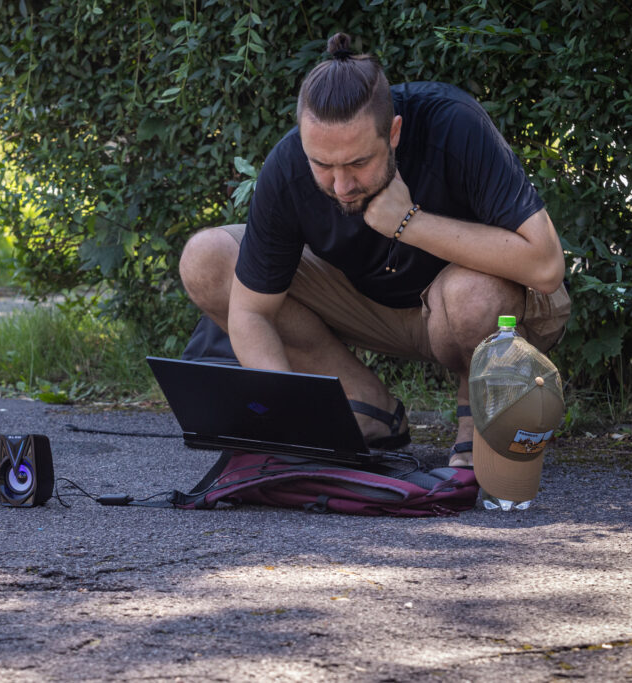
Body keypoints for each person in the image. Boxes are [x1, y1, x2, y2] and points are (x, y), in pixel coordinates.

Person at [178, 32, 571, 467]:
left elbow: (547, 265)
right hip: (369, 306)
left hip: (476, 306)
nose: (341, 186)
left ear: (394, 132)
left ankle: (477, 419)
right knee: (206, 258)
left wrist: (409, 221)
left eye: (358, 163)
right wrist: (285, 417)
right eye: (322, 165)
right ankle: (363, 407)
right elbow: (251, 312)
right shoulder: (288, 163)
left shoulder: (453, 121)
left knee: (473, 296)